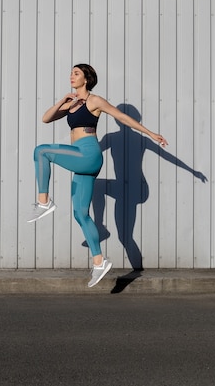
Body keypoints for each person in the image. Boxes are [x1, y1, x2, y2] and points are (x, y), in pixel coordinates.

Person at [27, 64, 168, 287]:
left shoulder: (95, 101)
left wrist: (151, 134)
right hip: (83, 159)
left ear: (86, 79)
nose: (71, 76)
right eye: (71, 73)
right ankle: (99, 262)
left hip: (88, 154)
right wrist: (62, 102)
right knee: (81, 213)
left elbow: (121, 116)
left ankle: (44, 202)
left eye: (76, 73)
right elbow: (45, 119)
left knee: (41, 151)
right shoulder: (72, 103)